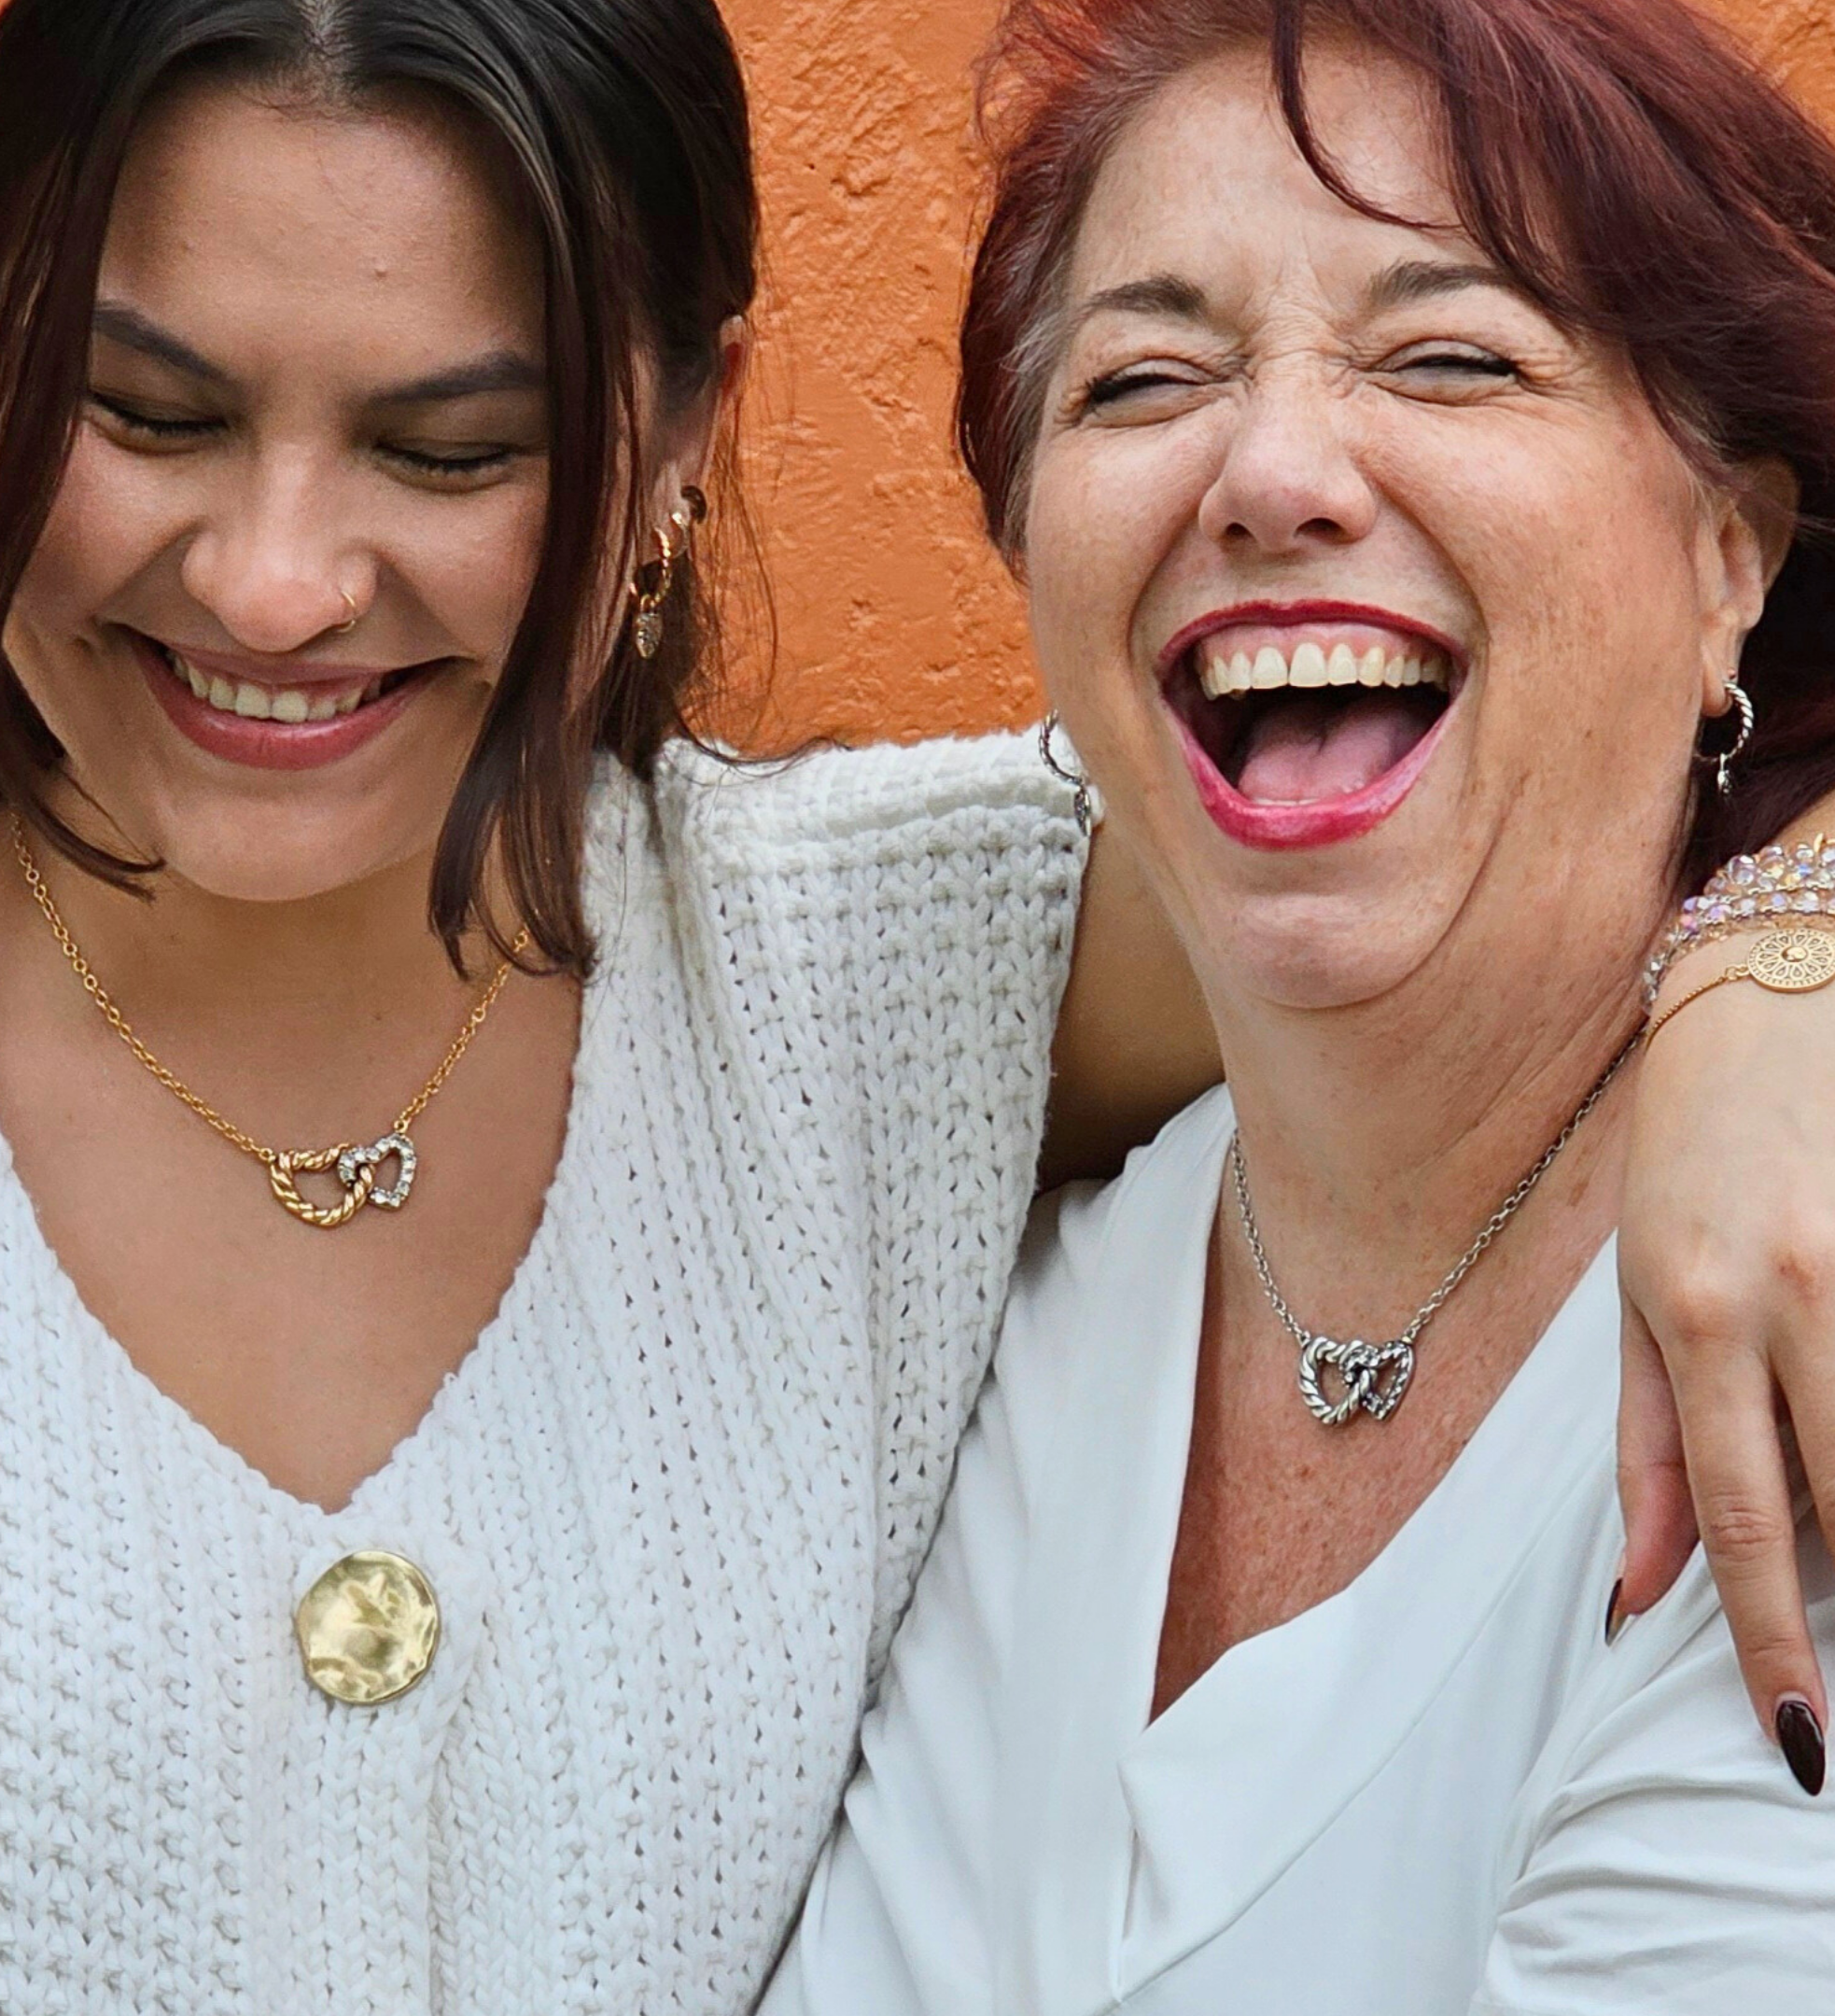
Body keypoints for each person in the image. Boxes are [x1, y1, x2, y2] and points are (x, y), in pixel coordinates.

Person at [0, 0, 1829, 2009]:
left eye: (451, 448)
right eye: (147, 413)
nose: (273, 584)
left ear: (686, 431)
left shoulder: (871, 974)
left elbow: (1528, 801)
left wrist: (1777, 956)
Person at [763, 0, 1835, 2009]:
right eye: (1144, 377)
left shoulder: (1783, 1293)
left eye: (1448, 353)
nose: (1268, 471)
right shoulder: (999, 1304)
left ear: (1731, 557)